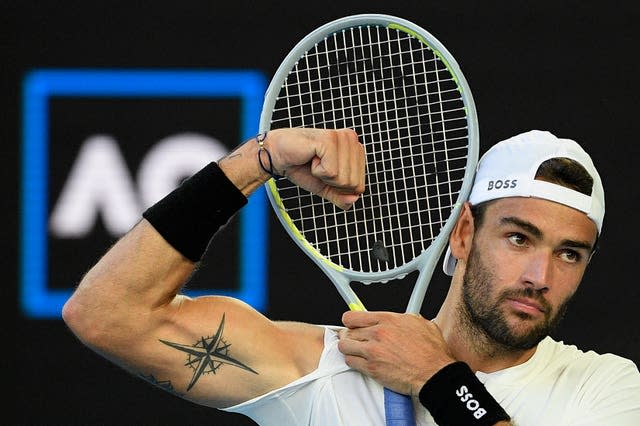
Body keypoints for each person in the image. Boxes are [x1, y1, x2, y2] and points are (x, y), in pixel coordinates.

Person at [62, 128, 640, 425]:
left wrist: (438, 381)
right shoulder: (319, 370)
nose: (541, 274)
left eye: (571, 254)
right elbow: (107, 316)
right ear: (463, 234)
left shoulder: (608, 389)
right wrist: (253, 162)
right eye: (519, 238)